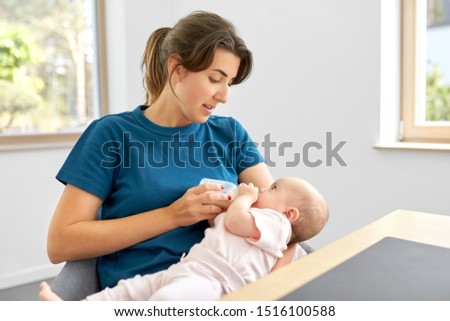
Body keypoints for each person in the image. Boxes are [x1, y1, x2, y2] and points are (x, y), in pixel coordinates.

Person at [45, 10, 284, 298]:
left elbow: (278, 217)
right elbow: (61, 242)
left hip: (228, 287)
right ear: (178, 68)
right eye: (214, 79)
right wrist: (172, 215)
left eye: (228, 83)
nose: (224, 96)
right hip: (143, 295)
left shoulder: (230, 133)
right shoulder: (112, 135)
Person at [39, 177, 329, 301]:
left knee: (166, 300)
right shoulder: (264, 217)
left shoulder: (276, 224)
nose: (265, 187)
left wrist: (244, 198)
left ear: (289, 213)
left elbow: (237, 222)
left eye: (274, 187)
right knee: (129, 291)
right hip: (186, 268)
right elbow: (225, 225)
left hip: (214, 282)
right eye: (216, 79)